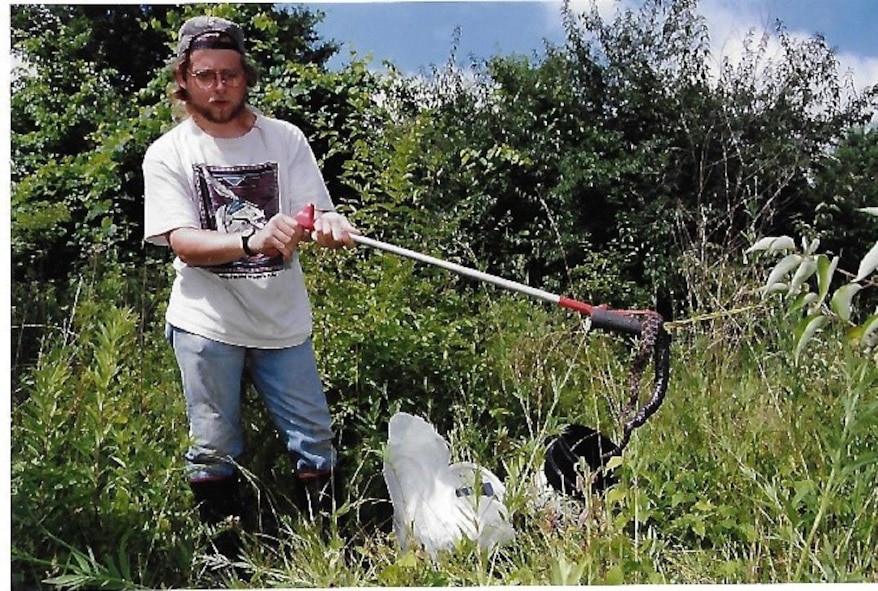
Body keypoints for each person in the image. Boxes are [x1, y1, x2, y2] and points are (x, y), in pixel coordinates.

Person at [142, 15, 356, 552]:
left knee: (315, 440)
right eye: (206, 75)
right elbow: (184, 242)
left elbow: (317, 215)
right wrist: (253, 240)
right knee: (213, 444)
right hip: (205, 325)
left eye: (230, 75)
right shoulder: (169, 152)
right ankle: (225, 560)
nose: (219, 87)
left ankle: (325, 549)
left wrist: (329, 226)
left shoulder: (285, 139)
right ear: (184, 79)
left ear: (246, 76)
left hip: (283, 322)